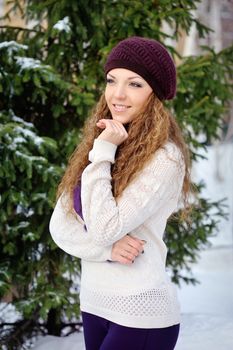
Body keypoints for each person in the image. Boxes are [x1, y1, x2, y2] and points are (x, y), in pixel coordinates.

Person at [49, 36, 191, 350]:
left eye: (135, 84)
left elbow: (104, 227)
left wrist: (103, 152)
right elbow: (60, 224)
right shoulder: (105, 141)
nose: (118, 94)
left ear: (154, 93)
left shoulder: (163, 158)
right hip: (94, 307)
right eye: (112, 80)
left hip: (140, 314)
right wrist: (108, 250)